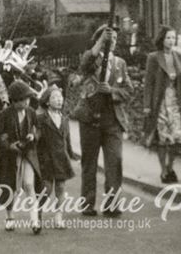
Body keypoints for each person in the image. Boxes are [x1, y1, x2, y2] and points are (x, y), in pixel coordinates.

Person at [70, 25, 133, 217]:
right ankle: (87, 204)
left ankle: (112, 204)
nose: (112, 41)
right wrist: (99, 43)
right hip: (90, 118)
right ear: (99, 40)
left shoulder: (120, 63)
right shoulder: (91, 60)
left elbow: (129, 91)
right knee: (89, 162)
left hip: (113, 119)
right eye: (107, 38)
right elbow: (85, 64)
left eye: (114, 38)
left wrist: (112, 91)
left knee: (115, 161)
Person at [0, 80, 43, 234]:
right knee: (11, 187)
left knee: (29, 184)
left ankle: (35, 221)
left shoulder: (31, 112)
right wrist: (8, 145)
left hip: (27, 153)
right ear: (14, 101)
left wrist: (33, 136)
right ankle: (10, 217)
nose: (27, 102)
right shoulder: (4, 114)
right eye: (23, 99)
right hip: (10, 156)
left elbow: (38, 129)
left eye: (28, 98)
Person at [143, 28, 181, 184]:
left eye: (173, 38)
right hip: (160, 102)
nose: (171, 40)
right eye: (168, 38)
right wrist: (147, 105)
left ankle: (171, 167)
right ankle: (163, 170)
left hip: (176, 102)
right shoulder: (154, 58)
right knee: (163, 138)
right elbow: (148, 83)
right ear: (162, 40)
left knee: (176, 137)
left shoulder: (180, 57)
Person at [36, 86, 80, 228]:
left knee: (61, 188)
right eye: (54, 97)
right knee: (46, 189)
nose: (59, 100)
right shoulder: (41, 118)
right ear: (47, 102)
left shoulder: (65, 119)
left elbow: (67, 140)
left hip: (61, 158)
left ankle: (58, 217)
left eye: (60, 97)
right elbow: (37, 138)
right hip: (47, 158)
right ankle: (37, 213)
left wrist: (72, 155)